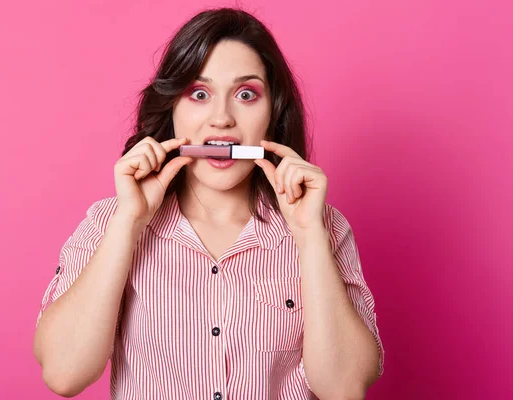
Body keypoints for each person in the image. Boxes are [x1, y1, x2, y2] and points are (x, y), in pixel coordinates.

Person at [33, 7, 384, 400]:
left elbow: (345, 389)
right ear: (173, 109)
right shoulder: (108, 222)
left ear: (273, 113)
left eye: (246, 94)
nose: (221, 119)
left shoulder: (325, 228)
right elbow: (63, 373)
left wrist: (309, 236)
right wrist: (130, 222)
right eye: (199, 94)